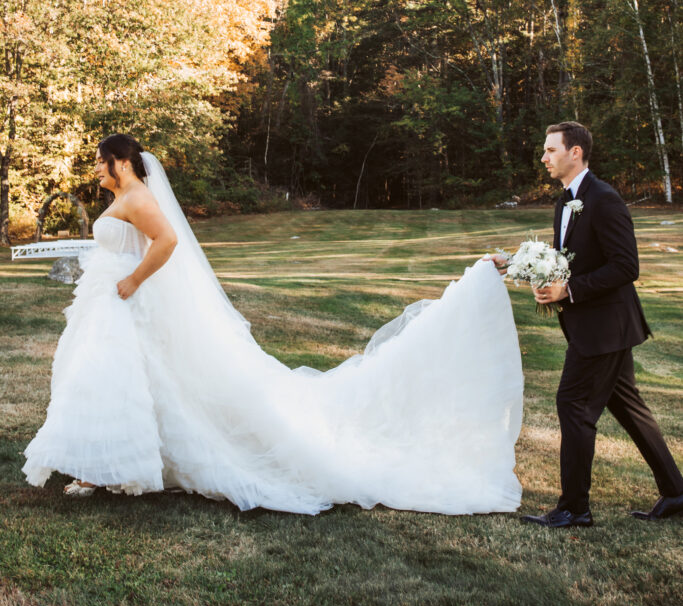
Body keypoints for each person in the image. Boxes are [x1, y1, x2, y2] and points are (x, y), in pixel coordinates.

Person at [24, 134, 524, 515]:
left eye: (100, 159)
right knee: (111, 377)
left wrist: (133, 280)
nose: (95, 167)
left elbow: (168, 242)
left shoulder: (138, 197)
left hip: (126, 298)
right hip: (107, 302)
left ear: (123, 162)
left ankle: (103, 468)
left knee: (120, 376)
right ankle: (100, 461)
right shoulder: (122, 199)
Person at [512, 121, 682, 527]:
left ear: (576, 153)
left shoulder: (603, 199)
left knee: (573, 405)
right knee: (628, 407)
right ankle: (677, 492)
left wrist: (568, 292)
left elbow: (626, 266)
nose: (544, 157)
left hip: (606, 327)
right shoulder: (565, 201)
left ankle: (574, 508)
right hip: (596, 327)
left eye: (551, 150)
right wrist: (514, 263)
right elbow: (565, 257)